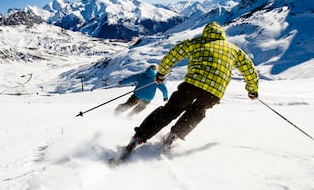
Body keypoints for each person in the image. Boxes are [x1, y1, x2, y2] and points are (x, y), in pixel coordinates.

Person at [111, 22, 259, 163]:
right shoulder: (234, 50)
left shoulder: (197, 42)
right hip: (214, 92)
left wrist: (161, 74)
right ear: (222, 35)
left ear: (206, 33)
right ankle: (174, 135)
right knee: (197, 112)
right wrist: (252, 90)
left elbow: (174, 54)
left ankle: (138, 138)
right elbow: (250, 70)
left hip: (192, 85)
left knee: (169, 111)